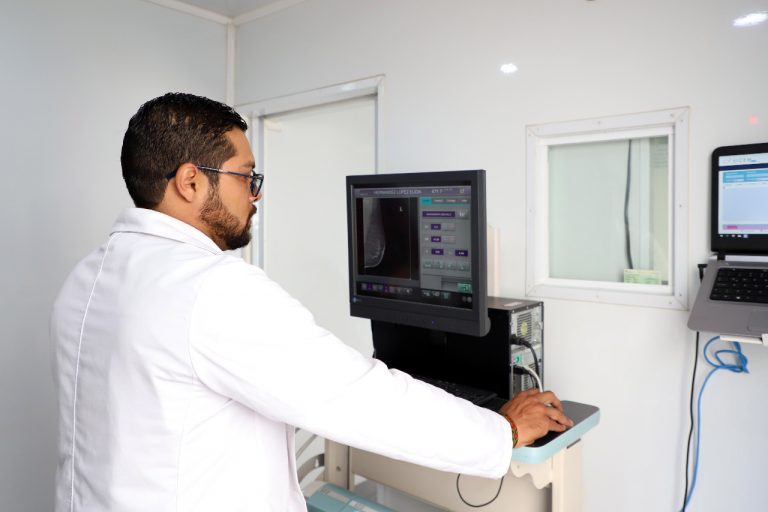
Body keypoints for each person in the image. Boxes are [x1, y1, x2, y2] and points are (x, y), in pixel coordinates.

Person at [51, 93, 573, 512]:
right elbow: (357, 398)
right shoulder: (210, 288)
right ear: (190, 181)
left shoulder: (86, 278)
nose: (255, 194)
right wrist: (501, 430)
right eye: (246, 176)